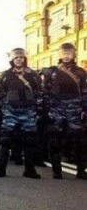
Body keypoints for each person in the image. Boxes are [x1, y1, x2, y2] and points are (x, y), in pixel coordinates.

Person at [0, 48, 42, 179]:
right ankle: (1, 170)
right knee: (5, 140)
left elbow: (39, 91)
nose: (19, 59)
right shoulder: (5, 75)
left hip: (28, 111)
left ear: (25, 59)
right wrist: (6, 102)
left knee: (30, 140)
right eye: (16, 57)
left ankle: (29, 170)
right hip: (11, 111)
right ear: (12, 60)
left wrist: (37, 108)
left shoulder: (33, 75)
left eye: (21, 57)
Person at [43, 43, 87, 179]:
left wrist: (85, 109)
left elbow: (85, 91)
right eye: (64, 53)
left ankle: (81, 170)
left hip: (75, 109)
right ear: (60, 55)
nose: (66, 56)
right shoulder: (51, 71)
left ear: (73, 54)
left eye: (69, 53)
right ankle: (57, 170)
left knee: (80, 140)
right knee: (55, 139)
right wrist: (47, 109)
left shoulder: (80, 72)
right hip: (56, 108)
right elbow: (46, 91)